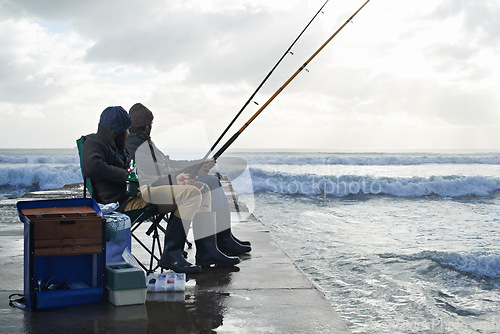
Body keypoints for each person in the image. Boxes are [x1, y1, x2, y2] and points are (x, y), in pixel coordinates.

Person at [81, 106, 239, 274]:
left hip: (141, 192)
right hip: (123, 203)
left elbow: (145, 176)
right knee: (191, 194)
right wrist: (127, 176)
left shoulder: (121, 148)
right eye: (126, 129)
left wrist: (173, 179)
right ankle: (171, 255)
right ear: (117, 131)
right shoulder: (94, 142)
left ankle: (207, 252)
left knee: (201, 189)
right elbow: (90, 166)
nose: (129, 133)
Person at [126, 103, 251, 257]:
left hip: (165, 183)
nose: (151, 127)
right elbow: (156, 172)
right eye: (150, 124)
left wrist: (197, 164)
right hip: (157, 189)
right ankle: (215, 244)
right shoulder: (135, 145)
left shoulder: (144, 142)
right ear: (146, 126)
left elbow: (167, 164)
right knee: (207, 185)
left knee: (212, 182)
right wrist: (190, 171)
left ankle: (223, 238)